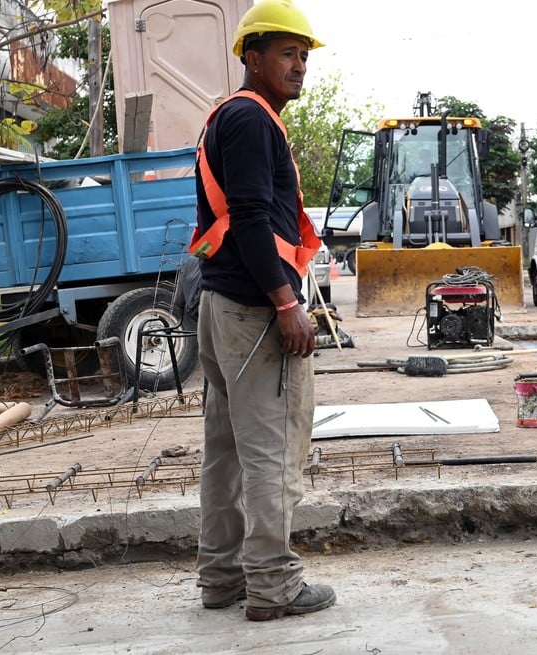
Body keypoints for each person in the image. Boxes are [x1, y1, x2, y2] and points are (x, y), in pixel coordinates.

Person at [188, 0, 335, 621]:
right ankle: (272, 583)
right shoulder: (251, 119)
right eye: (286, 54)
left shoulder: (233, 116)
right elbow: (249, 217)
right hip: (253, 312)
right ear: (253, 58)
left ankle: (222, 577)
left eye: (303, 56)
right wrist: (286, 302)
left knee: (226, 450)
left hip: (224, 305)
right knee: (272, 449)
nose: (299, 66)